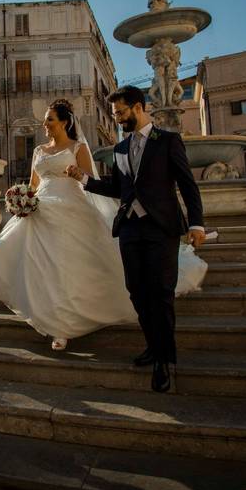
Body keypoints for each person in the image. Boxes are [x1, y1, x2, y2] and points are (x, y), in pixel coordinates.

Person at [0, 99, 138, 353]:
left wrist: (78, 178)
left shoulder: (77, 147)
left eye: (50, 119)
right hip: (41, 210)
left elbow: (91, 182)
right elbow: (34, 185)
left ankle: (62, 328)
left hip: (71, 208)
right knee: (39, 266)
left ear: (65, 122)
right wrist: (21, 197)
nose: (44, 125)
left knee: (65, 267)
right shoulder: (39, 150)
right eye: (45, 120)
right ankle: (50, 317)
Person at [67, 86, 205, 393]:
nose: (116, 119)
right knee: (137, 291)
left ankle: (163, 360)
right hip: (130, 229)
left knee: (161, 293)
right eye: (115, 114)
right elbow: (119, 189)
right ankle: (154, 346)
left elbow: (188, 185)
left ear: (139, 108)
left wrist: (197, 224)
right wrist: (85, 180)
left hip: (162, 229)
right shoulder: (119, 149)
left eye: (120, 113)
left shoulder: (167, 141)